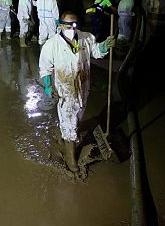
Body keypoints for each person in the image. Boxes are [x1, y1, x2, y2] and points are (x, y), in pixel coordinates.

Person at [39, 11, 115, 173]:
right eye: (68, 25)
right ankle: (71, 158)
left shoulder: (86, 38)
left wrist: (104, 46)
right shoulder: (51, 45)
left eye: (75, 25)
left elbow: (96, 52)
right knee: (70, 125)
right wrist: (48, 86)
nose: (72, 29)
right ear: (60, 25)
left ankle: (67, 132)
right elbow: (45, 67)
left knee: (78, 116)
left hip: (83, 89)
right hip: (65, 91)